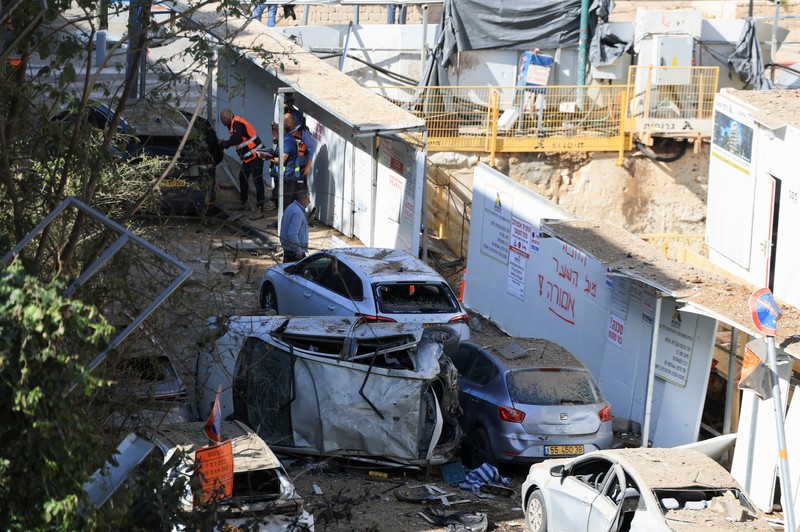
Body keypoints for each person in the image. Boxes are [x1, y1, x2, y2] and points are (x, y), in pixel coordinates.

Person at [218, 108, 267, 213]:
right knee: (242, 177)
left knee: (257, 181)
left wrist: (224, 144)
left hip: (257, 156)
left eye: (222, 120)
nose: (222, 122)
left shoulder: (237, 123)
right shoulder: (232, 124)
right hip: (249, 158)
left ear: (227, 118)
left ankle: (260, 207)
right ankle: (244, 202)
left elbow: (236, 139)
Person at [260, 112, 298, 210]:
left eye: (276, 133)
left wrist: (267, 157)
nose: (274, 135)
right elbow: (275, 140)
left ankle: (284, 223)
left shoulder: (288, 141)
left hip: (287, 178)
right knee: (277, 200)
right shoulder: (283, 138)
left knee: (285, 204)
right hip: (279, 176)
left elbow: (281, 160)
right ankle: (279, 223)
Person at [279, 189, 310, 263]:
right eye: (308, 199)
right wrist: (298, 250)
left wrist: (308, 220)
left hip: (289, 249)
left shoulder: (291, 207)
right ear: (302, 200)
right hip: (294, 252)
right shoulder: (297, 212)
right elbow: (292, 233)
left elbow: (299, 226)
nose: (309, 201)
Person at [286, 113, 316, 181]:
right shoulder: (284, 132)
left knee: (300, 189)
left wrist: (308, 166)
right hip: (287, 166)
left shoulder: (302, 132)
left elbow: (311, 149)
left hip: (300, 165)